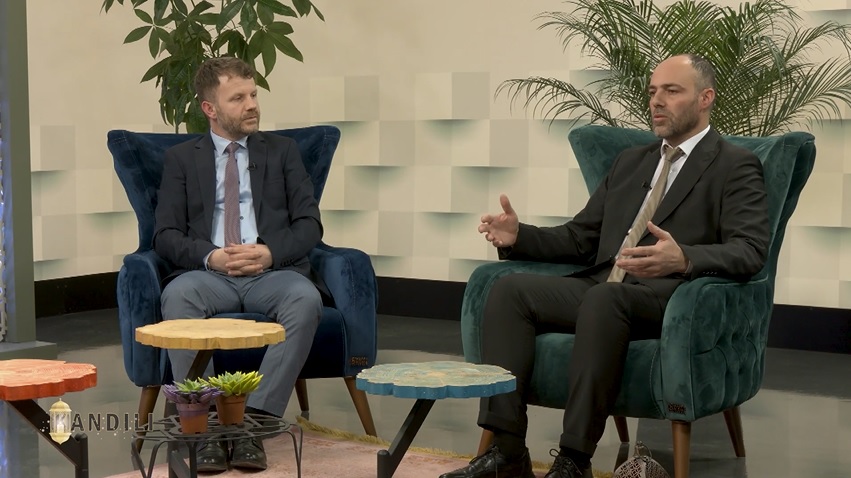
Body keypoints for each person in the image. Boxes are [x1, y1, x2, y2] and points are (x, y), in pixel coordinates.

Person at [441, 54, 770, 478]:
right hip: (604, 287)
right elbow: (582, 238)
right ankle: (507, 453)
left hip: (669, 299)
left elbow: (750, 250)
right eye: (653, 91)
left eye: (671, 91)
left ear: (705, 98)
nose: (657, 101)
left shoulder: (734, 165)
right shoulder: (632, 162)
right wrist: (520, 236)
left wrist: (685, 258)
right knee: (509, 291)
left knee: (605, 299)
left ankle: (574, 460)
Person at [154, 56, 324, 472]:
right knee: (177, 297)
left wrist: (269, 251)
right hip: (208, 275)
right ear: (209, 108)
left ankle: (253, 425)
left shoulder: (283, 152)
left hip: (271, 274)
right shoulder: (181, 159)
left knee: (305, 299)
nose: (252, 105)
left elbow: (309, 224)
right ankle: (206, 425)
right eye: (238, 98)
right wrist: (209, 255)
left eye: (253, 95)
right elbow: (165, 235)